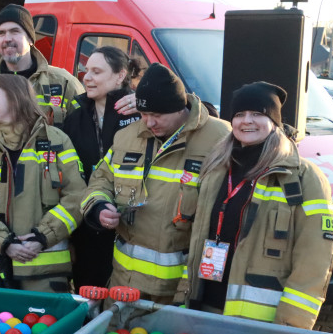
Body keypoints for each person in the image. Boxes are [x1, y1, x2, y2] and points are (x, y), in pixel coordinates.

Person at [178, 82, 333, 329]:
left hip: (261, 324)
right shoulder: (215, 167)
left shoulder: (304, 177)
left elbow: (315, 258)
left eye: (257, 114)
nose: (246, 121)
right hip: (203, 308)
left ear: (274, 121)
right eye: (239, 114)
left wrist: (291, 325)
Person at [81, 65, 230, 301]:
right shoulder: (127, 136)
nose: (148, 123)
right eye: (143, 114)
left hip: (180, 291)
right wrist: (99, 207)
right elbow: (100, 180)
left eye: (157, 115)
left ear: (180, 108)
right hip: (124, 285)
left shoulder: (220, 138)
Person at [0, 74, 87, 292]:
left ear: (15, 98)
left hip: (46, 274)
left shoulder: (57, 141)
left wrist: (42, 237)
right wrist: (5, 244)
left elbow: (77, 197)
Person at [63, 46, 143, 289]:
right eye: (86, 71)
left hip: (132, 226)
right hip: (87, 223)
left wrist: (145, 104)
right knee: (89, 294)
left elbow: (189, 114)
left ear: (120, 75)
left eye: (96, 71)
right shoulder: (75, 116)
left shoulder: (140, 112)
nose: (86, 77)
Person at [0, 4, 84, 127]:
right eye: (1, 33)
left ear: (31, 39)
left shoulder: (65, 83)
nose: (7, 39)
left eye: (15, 31)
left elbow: (83, 134)